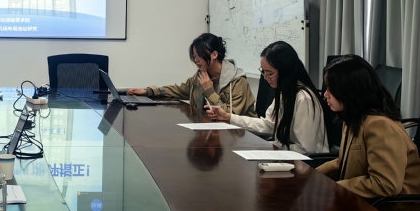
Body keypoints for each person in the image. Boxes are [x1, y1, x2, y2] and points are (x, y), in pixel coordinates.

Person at [316, 55, 420, 211]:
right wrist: (311, 176)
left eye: (331, 89)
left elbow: (385, 183)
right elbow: (345, 162)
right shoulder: (352, 118)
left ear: (349, 91)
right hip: (369, 208)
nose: (325, 94)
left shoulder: (380, 125)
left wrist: (336, 188)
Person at [206, 41, 329, 154]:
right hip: (289, 157)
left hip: (309, 164)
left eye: (270, 73)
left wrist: (271, 146)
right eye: (263, 72)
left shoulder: (304, 99)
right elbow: (268, 125)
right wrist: (228, 117)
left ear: (285, 72)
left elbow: (306, 149)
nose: (265, 77)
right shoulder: (284, 93)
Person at [128, 33, 256, 115]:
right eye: (194, 56)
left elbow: (232, 116)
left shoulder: (238, 81)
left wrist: (209, 91)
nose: (196, 60)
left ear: (214, 54)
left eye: (199, 55)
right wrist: (148, 91)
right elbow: (179, 90)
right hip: (212, 129)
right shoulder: (201, 75)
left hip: (241, 136)